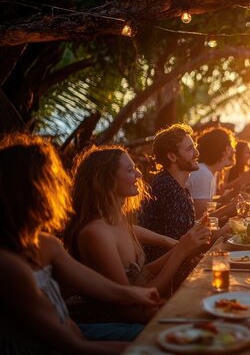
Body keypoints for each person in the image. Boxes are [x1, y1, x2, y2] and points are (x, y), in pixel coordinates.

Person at [0, 133, 160, 354]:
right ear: (28, 191)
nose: (61, 185)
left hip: (75, 332)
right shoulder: (10, 266)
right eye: (52, 179)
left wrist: (134, 294)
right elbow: (73, 345)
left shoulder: (46, 244)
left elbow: (98, 284)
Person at [64, 146, 211, 306]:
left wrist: (182, 247)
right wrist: (180, 252)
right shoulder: (95, 233)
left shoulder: (118, 221)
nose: (139, 174)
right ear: (106, 180)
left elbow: (143, 274)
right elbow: (131, 303)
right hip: (118, 324)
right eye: (130, 170)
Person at [138, 124, 201, 263]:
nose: (197, 153)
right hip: (169, 273)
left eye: (194, 146)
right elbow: (178, 245)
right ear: (172, 156)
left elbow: (185, 233)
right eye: (190, 149)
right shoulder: (167, 188)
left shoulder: (174, 184)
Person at [186, 127, 250, 219]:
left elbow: (210, 204)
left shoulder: (210, 171)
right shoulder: (202, 173)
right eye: (232, 145)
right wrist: (230, 207)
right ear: (227, 149)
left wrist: (234, 193)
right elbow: (201, 218)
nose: (235, 150)